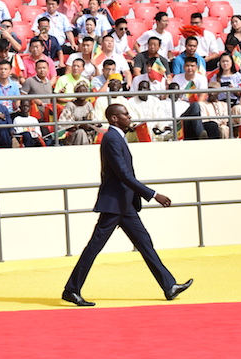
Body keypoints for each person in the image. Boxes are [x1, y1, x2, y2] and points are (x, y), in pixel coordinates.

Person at [62, 104, 193, 307]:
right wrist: (154, 194)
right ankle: (71, 289)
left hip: (124, 204)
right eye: (125, 114)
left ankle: (169, 286)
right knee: (94, 247)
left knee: (144, 243)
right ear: (114, 119)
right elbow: (123, 174)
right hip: (114, 204)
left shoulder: (117, 138)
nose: (129, 117)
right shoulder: (111, 138)